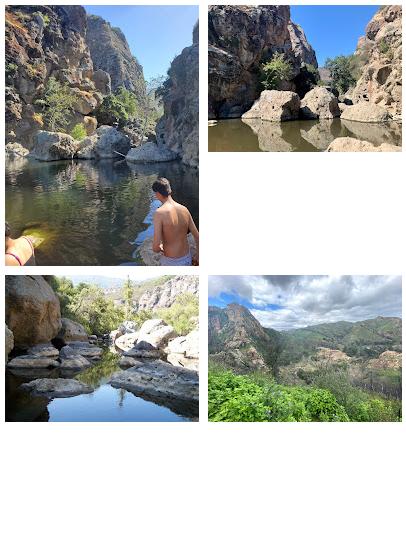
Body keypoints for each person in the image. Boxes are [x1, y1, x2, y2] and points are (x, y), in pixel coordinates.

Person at [152, 177, 199, 266]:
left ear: (157, 194)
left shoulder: (159, 213)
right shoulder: (184, 209)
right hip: (187, 258)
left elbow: (155, 248)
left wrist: (161, 247)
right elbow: (198, 237)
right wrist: (198, 256)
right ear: (170, 190)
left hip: (171, 262)